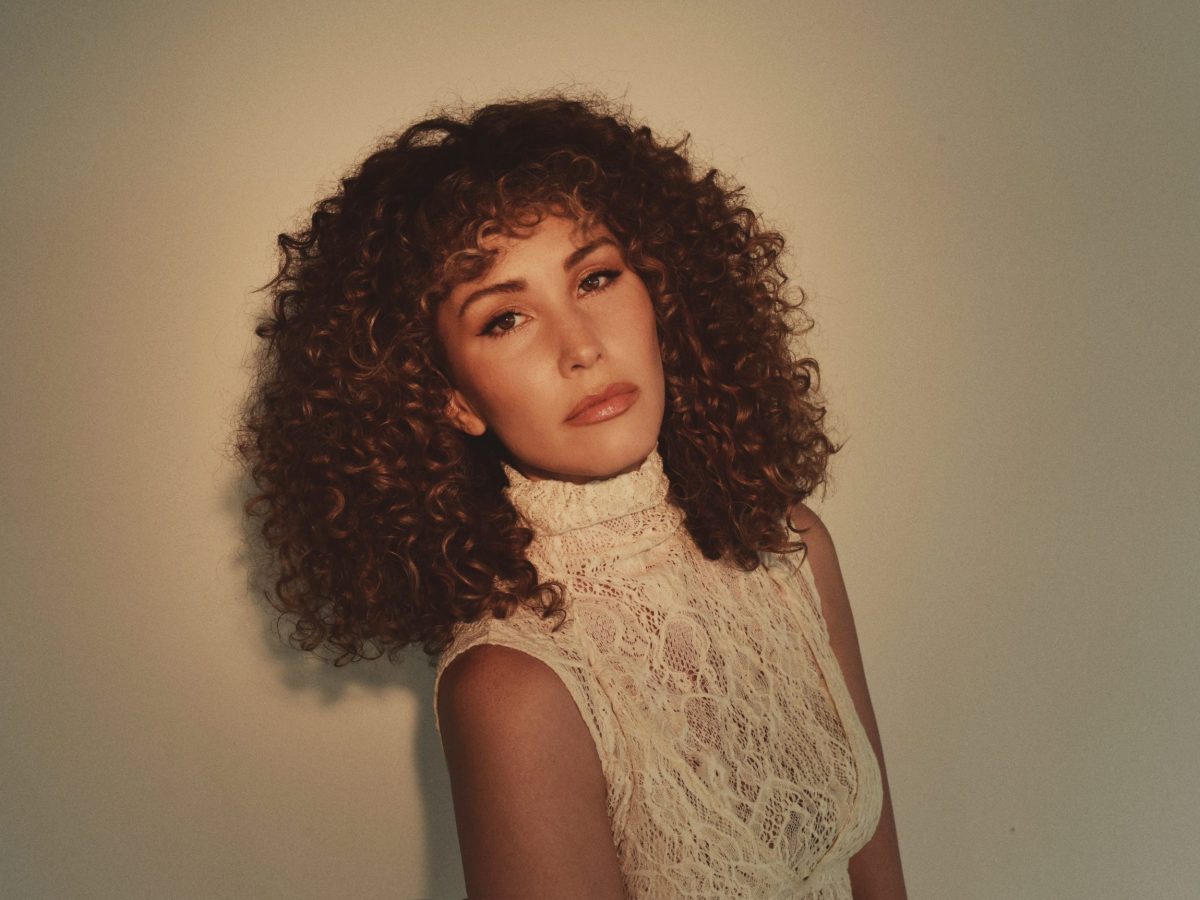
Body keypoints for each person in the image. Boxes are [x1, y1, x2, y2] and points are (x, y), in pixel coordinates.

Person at [238, 94, 908, 899]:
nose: (582, 347)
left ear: (660, 292)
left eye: (595, 278)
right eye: (505, 319)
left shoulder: (789, 548)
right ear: (452, 398)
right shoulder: (512, 686)